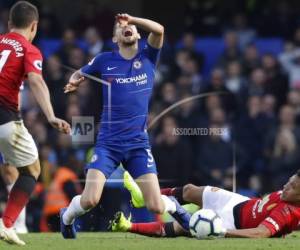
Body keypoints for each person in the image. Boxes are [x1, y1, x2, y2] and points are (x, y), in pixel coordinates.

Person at [60, 13, 188, 239]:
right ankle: (66, 217)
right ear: (114, 38)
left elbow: (159, 29)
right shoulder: (104, 60)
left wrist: (132, 20)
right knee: (90, 200)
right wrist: (75, 79)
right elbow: (80, 71)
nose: (126, 28)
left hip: (138, 144)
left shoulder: (148, 56)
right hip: (108, 144)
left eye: (129, 26)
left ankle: (176, 207)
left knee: (156, 205)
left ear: (137, 33)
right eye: (120, 27)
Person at [0, 1, 70, 245]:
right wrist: (50, 116)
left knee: (10, 168)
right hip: (4, 119)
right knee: (31, 170)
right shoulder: (29, 49)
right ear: (34, 26)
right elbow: (37, 82)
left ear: (9, 24)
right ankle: (7, 223)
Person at [111, 170, 300, 238]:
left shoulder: (288, 210)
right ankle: (144, 197)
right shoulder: (286, 195)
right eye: (289, 181)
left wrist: (223, 232)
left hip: (232, 223)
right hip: (240, 203)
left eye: (292, 187)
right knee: (189, 190)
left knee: (183, 228)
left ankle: (128, 226)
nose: (286, 186)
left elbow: (261, 233)